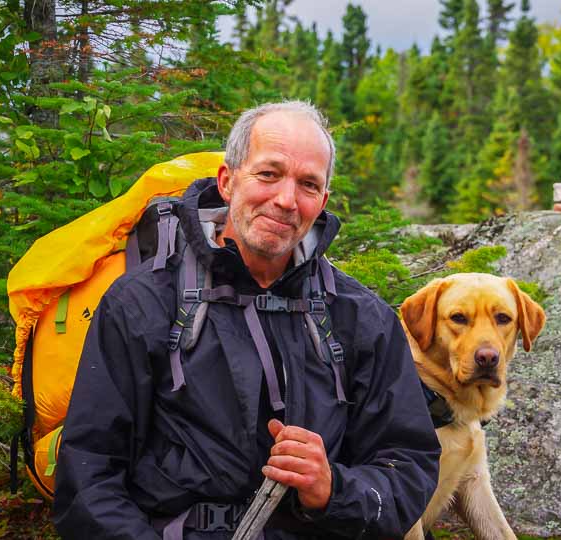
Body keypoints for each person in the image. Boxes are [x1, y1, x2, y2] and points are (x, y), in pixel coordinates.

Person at [52, 101, 441, 540]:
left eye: (308, 184)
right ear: (227, 181)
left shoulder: (361, 318)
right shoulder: (141, 304)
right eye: (268, 174)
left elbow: (408, 466)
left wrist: (334, 488)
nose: (286, 200)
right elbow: (89, 477)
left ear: (323, 202)